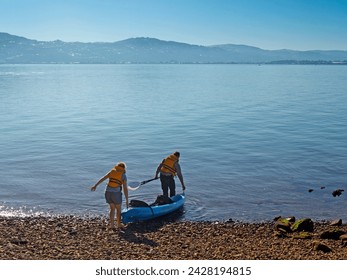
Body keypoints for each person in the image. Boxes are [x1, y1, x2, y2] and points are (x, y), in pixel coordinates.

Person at [91, 162, 129, 230]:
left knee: (112, 209)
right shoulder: (123, 175)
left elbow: (103, 178)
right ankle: (118, 224)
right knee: (118, 209)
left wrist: (95, 185)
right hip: (116, 194)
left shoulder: (112, 171)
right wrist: (127, 199)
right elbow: (125, 188)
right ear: (124, 168)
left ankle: (112, 225)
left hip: (107, 192)